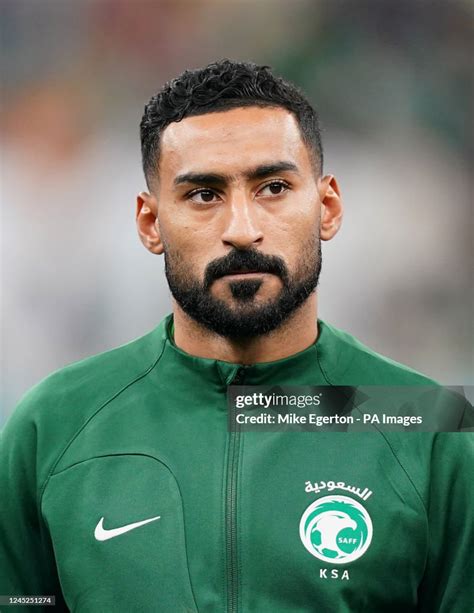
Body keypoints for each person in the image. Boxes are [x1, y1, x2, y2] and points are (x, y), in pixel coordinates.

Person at [0, 60, 472, 613]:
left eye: (273, 187)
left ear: (327, 207)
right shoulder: (52, 425)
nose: (242, 229)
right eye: (204, 195)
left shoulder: (430, 426)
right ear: (151, 223)